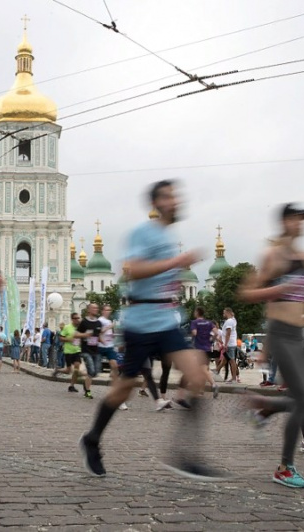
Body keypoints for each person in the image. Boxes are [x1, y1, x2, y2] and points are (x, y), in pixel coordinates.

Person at [80, 180, 222, 479]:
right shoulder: (142, 233)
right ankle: (92, 440)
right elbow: (131, 269)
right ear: (157, 203)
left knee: (196, 375)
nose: (176, 201)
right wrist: (176, 261)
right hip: (141, 321)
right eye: (170, 197)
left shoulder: (169, 237)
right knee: (123, 390)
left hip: (166, 319)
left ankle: (186, 455)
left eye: (176, 196)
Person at [239, 203, 304, 489]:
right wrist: (276, 289)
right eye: (296, 218)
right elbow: (247, 293)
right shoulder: (274, 255)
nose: (301, 223)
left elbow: (299, 298)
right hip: (281, 334)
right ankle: (284, 467)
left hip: (298, 333)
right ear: (284, 221)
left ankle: (266, 408)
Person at [54, 313, 88, 394]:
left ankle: (72, 385)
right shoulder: (67, 327)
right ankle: (58, 370)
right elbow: (61, 338)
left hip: (77, 351)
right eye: (75, 318)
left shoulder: (80, 328)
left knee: (77, 368)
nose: (77, 319)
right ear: (72, 319)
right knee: (68, 371)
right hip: (68, 351)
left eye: (78, 318)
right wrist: (69, 340)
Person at [190, 307, 219, 397]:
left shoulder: (194, 322)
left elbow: (194, 333)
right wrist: (211, 340)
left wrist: (193, 335)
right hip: (208, 348)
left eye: (195, 311)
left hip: (199, 348)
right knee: (204, 369)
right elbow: (216, 333)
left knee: (202, 369)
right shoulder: (209, 323)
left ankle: (214, 384)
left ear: (197, 312)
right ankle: (201, 390)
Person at [222, 308, 240, 383]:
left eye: (224, 313)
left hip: (230, 344)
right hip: (232, 343)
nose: (223, 314)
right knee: (231, 361)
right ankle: (234, 377)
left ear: (227, 312)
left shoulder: (229, 321)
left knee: (232, 361)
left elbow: (228, 333)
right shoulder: (233, 320)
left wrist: (225, 344)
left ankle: (234, 378)